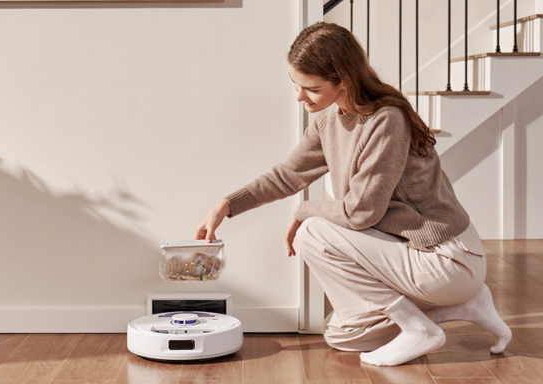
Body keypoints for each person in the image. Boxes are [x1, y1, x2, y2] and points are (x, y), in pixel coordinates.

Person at [193, 22, 512, 366]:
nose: (300, 97)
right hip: (413, 256)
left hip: (445, 257)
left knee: (312, 232)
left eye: (311, 88)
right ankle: (460, 306)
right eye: (296, 85)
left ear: (343, 80)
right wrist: (226, 205)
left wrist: (304, 212)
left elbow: (362, 214)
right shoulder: (328, 116)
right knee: (343, 335)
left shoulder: (386, 119)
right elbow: (289, 173)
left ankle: (424, 326)